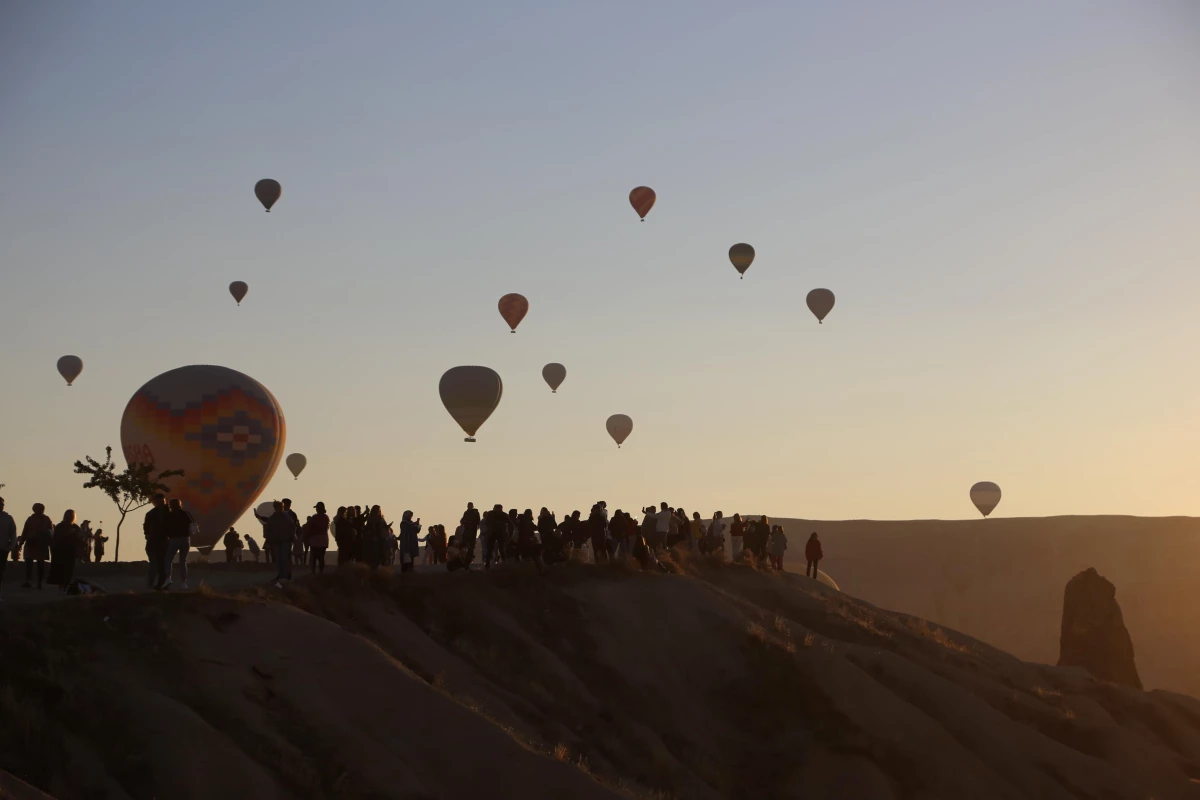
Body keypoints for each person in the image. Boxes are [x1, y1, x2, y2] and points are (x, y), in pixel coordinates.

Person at [161, 498, 195, 590]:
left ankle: (168, 578)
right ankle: (184, 582)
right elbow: (192, 526)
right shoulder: (186, 514)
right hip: (185, 539)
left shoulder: (169, 515)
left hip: (174, 539)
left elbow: (164, 528)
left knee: (168, 559)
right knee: (183, 561)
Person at [264, 500, 296, 586]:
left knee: (285, 558)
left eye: (281, 507)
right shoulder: (273, 518)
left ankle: (286, 575)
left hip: (285, 540)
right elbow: (268, 529)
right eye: (280, 507)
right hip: (277, 541)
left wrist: (292, 537)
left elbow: (292, 527)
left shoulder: (286, 517)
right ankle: (281, 575)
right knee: (279, 559)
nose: (281, 509)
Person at [21, 503, 53, 589]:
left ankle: (39, 582)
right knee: (28, 562)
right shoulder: (30, 519)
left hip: (41, 544)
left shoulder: (46, 519)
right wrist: (21, 543)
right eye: (38, 508)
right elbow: (25, 531)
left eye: (41, 508)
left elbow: (51, 532)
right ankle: (28, 580)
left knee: (40, 564)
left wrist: (51, 543)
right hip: (31, 543)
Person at [47, 509, 81, 590]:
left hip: (71, 551)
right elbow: (56, 539)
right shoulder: (60, 526)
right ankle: (61, 585)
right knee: (60, 570)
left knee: (69, 570)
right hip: (60, 551)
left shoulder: (75, 527)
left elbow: (79, 539)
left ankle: (65, 585)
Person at [144, 493, 170, 588]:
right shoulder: (151, 514)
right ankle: (152, 584)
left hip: (164, 542)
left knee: (163, 564)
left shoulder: (170, 512)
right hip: (154, 542)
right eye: (158, 501)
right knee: (154, 564)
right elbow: (146, 527)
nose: (160, 503)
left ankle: (162, 583)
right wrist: (148, 534)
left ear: (165, 500)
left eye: (162, 501)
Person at [306, 502, 330, 575]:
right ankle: (321, 572)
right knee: (321, 557)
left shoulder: (314, 517)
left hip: (315, 540)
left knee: (314, 557)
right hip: (323, 540)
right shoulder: (326, 517)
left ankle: (313, 572)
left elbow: (310, 528)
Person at [363, 505, 389, 570]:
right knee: (374, 556)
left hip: (382, 539)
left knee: (382, 555)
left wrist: (386, 528)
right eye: (377, 510)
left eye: (379, 510)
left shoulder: (381, 518)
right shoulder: (371, 519)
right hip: (374, 540)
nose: (379, 511)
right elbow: (369, 529)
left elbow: (383, 526)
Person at [0, 497, 16, 597]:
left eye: (2, 504)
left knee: (0, 571)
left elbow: (13, 533)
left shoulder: (8, 518)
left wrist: (11, 546)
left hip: (2, 549)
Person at [483, 504, 507, 570]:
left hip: (497, 534)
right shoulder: (500, 514)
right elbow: (486, 522)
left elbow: (486, 522)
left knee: (498, 549)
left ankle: (488, 565)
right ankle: (488, 565)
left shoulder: (501, 514)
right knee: (492, 549)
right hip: (495, 534)